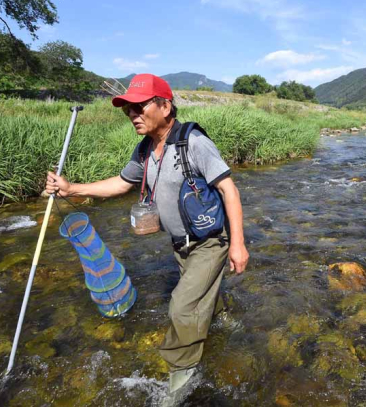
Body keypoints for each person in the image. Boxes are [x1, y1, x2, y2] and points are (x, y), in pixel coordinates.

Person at [45, 73, 249, 394]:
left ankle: (181, 377)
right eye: (128, 109)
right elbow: (122, 184)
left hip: (210, 241)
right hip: (179, 243)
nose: (132, 115)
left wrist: (238, 244)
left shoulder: (193, 143)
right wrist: (72, 188)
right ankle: (222, 319)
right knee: (199, 294)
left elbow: (229, 190)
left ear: (165, 107)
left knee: (181, 306)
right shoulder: (145, 150)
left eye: (139, 107)